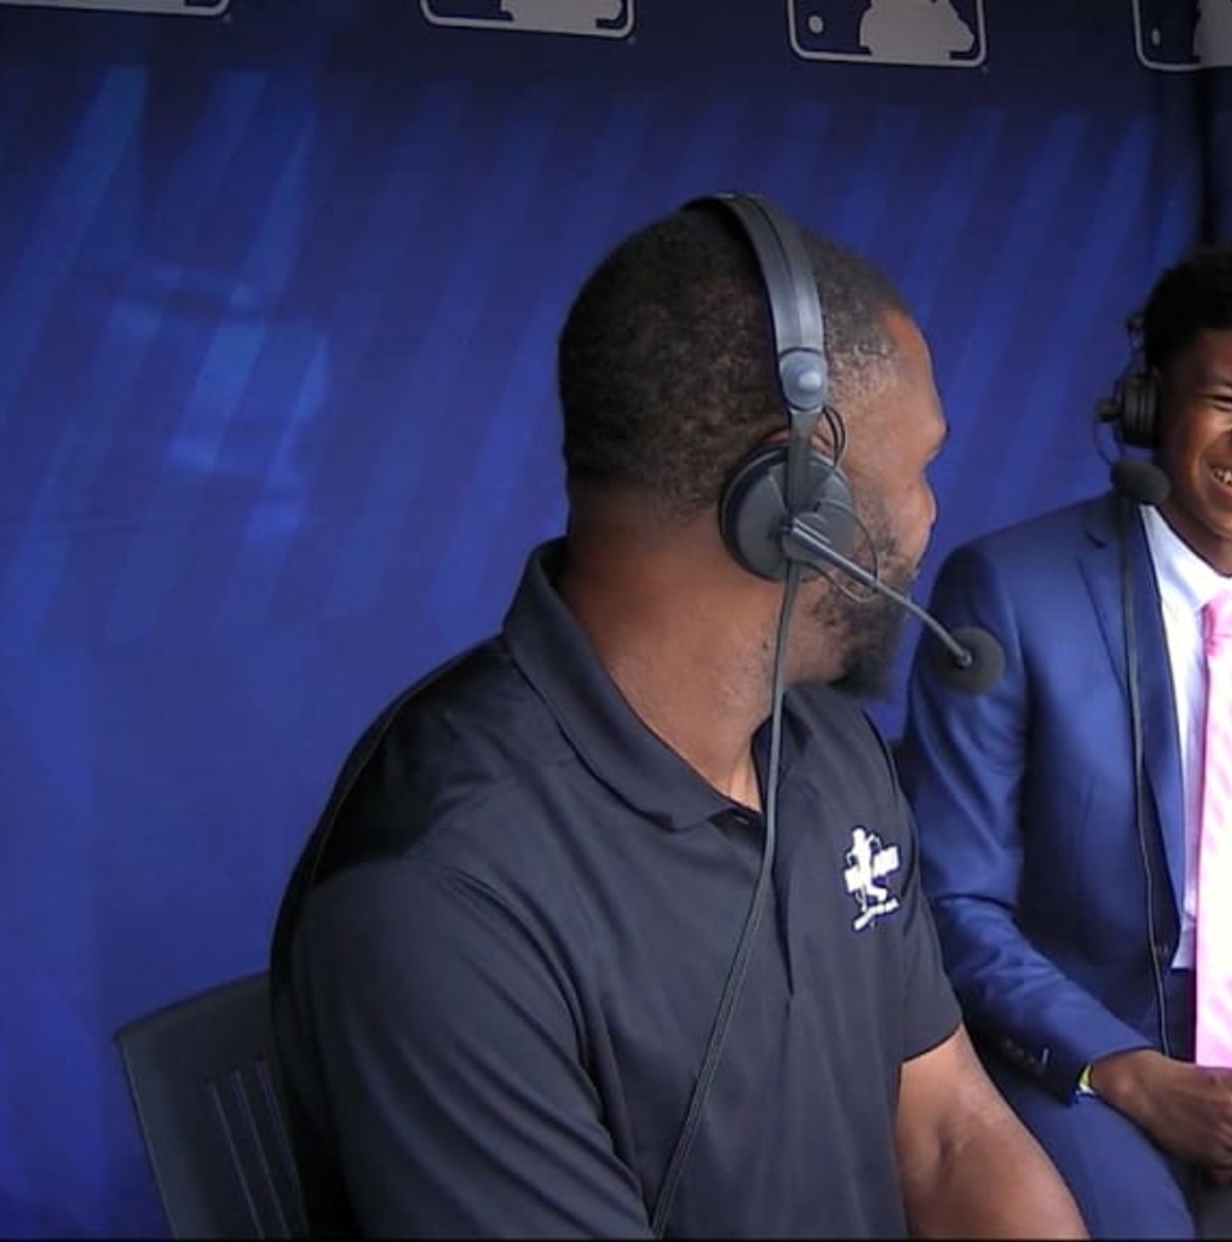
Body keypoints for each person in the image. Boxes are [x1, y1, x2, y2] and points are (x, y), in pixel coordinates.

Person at [266, 193, 1086, 1238]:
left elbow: (948, 1132)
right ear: (794, 505)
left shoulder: (828, 747)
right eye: (919, 467)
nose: (931, 512)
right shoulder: (438, 897)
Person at [896, 241, 1232, 1238]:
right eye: (1230, 401)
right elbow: (954, 901)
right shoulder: (1009, 592)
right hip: (1091, 1034)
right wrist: (1132, 1076)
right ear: (1150, 406)